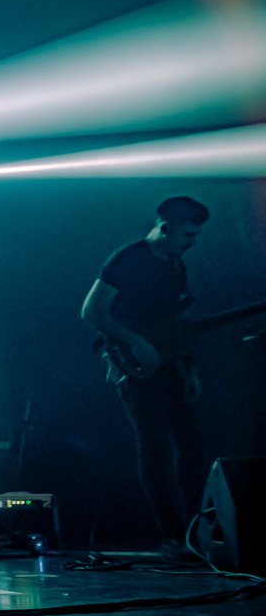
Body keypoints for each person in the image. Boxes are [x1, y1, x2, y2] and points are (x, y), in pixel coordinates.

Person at [80, 196, 209, 557]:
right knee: (153, 445)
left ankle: (193, 532)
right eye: (188, 235)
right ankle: (170, 535)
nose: (192, 242)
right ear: (165, 228)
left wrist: (189, 369)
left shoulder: (175, 263)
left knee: (190, 445)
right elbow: (92, 311)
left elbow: (173, 325)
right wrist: (135, 342)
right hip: (132, 362)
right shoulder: (128, 259)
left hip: (168, 361)